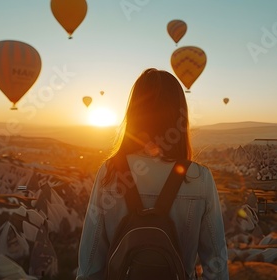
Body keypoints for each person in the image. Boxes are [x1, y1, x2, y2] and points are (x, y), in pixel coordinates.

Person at [76, 68, 229, 280]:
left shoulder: (110, 173)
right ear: (180, 116)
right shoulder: (199, 178)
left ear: (134, 114)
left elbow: (90, 265)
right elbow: (216, 266)